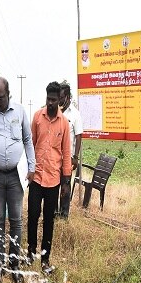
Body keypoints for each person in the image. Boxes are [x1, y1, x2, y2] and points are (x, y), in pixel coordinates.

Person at [0, 76, 35, 283]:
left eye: (0, 98)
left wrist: (32, 167)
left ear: (8, 94)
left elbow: (28, 140)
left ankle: (15, 267)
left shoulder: (19, 112)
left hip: (15, 175)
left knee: (16, 221)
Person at [27, 82, 71, 274]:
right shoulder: (37, 117)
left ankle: (45, 259)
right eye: (48, 99)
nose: (51, 103)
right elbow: (31, 145)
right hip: (36, 178)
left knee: (49, 221)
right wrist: (29, 171)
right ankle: (30, 253)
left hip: (54, 179)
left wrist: (66, 183)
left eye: (54, 100)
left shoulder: (65, 124)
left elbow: (66, 153)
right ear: (45, 98)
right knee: (32, 216)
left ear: (59, 100)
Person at [58, 82, 83, 219]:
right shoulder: (56, 111)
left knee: (66, 185)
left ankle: (64, 214)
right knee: (54, 186)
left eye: (61, 97)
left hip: (68, 157)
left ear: (67, 97)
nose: (60, 100)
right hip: (55, 156)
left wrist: (75, 156)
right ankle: (54, 212)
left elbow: (79, 136)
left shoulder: (75, 114)